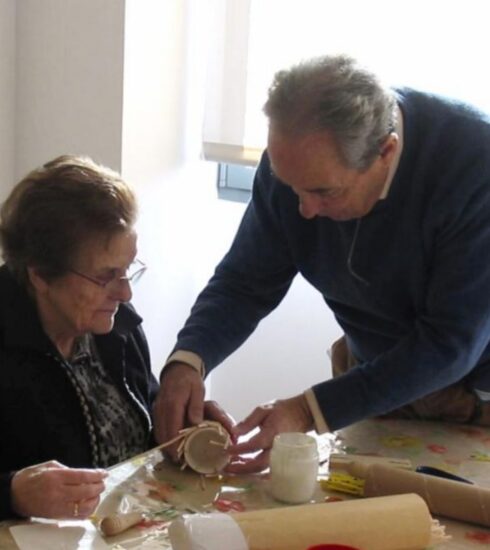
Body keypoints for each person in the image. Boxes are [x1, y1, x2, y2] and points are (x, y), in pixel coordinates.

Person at [154, 54, 490, 473]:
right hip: (376, 377)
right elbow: (245, 281)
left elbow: (449, 343)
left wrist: (309, 409)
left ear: (386, 152)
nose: (304, 210)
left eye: (323, 192)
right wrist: (189, 359)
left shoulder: (474, 164)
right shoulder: (295, 165)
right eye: (291, 187)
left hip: (475, 392)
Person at [0, 155, 159, 520]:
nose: (125, 293)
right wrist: (11, 494)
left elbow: (143, 406)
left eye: (128, 269)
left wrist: (179, 420)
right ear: (40, 275)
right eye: (105, 276)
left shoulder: (115, 324)